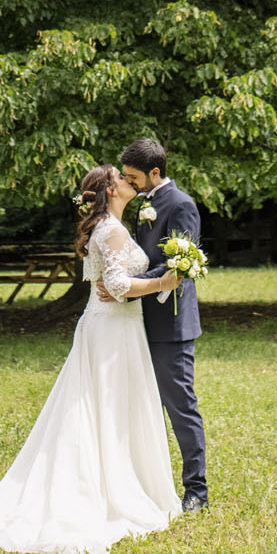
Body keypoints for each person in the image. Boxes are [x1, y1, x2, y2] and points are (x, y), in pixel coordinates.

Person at [0, 164, 184, 554]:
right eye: (121, 178)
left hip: (111, 328)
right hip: (112, 332)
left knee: (105, 410)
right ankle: (104, 491)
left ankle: (113, 479)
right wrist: (163, 283)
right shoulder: (113, 230)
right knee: (108, 410)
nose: (128, 180)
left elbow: (107, 280)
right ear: (108, 191)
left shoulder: (107, 227)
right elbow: (118, 287)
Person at [104, 139, 209, 513]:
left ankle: (197, 491)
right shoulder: (146, 203)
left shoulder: (181, 205)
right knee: (140, 406)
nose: (129, 184)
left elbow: (180, 266)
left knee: (180, 407)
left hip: (171, 324)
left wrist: (127, 289)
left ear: (155, 172)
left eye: (134, 177)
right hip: (137, 323)